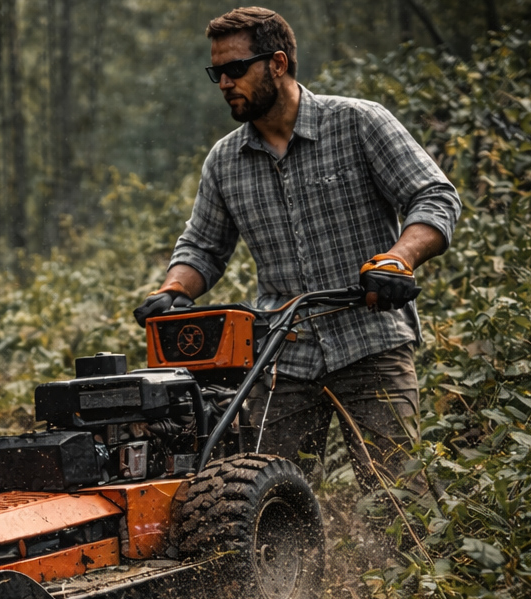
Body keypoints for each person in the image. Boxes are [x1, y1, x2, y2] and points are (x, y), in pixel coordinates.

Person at [134, 7, 461, 520]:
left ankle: (416, 593)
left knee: (401, 499)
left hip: (371, 343)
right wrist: (174, 291)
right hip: (283, 357)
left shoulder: (357, 121)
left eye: (235, 69)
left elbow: (434, 196)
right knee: (266, 503)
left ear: (278, 63)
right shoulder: (225, 160)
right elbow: (202, 247)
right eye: (215, 72)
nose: (223, 82)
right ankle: (290, 596)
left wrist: (398, 260)